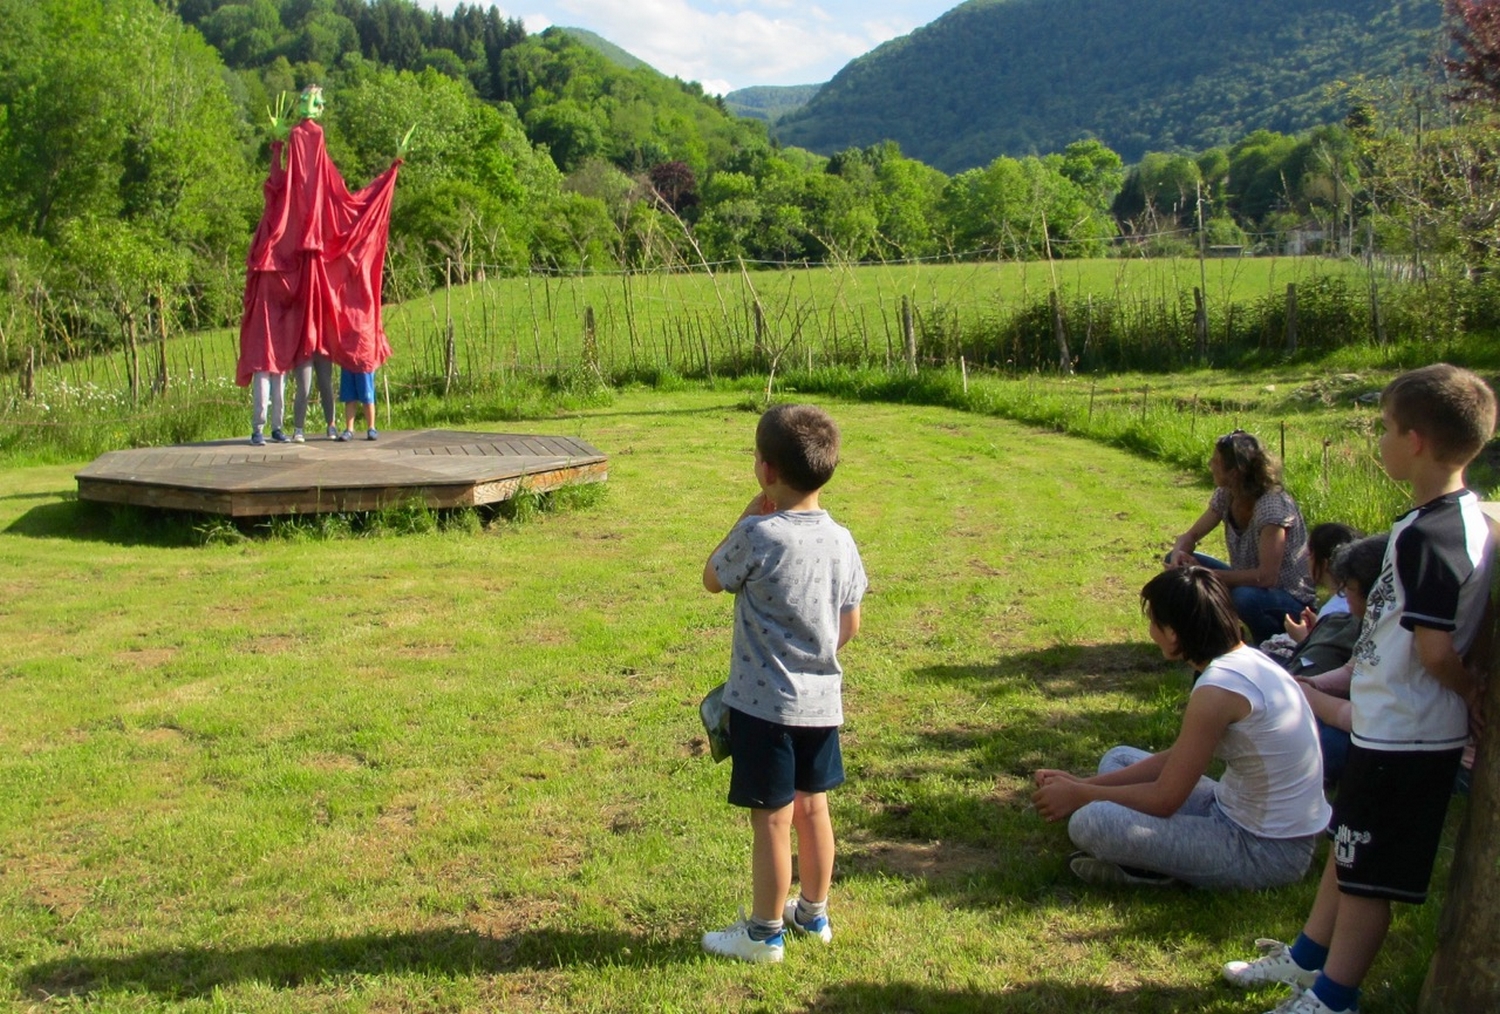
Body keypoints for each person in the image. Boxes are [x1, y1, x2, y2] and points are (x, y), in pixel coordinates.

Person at [1222, 363, 1495, 1014]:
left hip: (1409, 735)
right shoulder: (1436, 521)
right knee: (1350, 851)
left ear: (1417, 441)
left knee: (1368, 880)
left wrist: (1470, 690)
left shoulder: (1435, 537)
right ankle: (1306, 960)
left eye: (1385, 429)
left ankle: (1333, 998)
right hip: (1387, 726)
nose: (1379, 441)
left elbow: (1434, 649)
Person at [1032, 566, 1330, 889]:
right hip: (1235, 810)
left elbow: (1165, 798)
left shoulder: (1217, 689)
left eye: (1153, 622)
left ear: (1173, 632)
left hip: (1264, 851)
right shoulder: (1247, 662)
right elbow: (1181, 757)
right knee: (1117, 758)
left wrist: (1081, 794)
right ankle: (1162, 859)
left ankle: (1158, 872)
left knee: (1090, 822)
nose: (1150, 631)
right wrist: (1086, 783)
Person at [700, 404, 867, 963]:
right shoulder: (842, 541)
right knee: (812, 808)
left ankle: (764, 932)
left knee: (771, 818)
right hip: (823, 703)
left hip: (763, 707)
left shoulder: (759, 533)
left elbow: (711, 578)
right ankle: (813, 915)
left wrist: (746, 515)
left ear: (766, 471)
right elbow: (850, 624)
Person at [237, 85, 405, 445]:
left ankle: (303, 427)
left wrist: (278, 148)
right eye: (314, 101)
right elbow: (301, 185)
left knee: (306, 376)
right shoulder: (305, 137)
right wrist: (278, 148)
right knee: (294, 375)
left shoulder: (307, 137)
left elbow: (316, 185)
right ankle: (285, 428)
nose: (318, 106)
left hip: (305, 242)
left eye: (316, 102)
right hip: (303, 241)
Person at [1166, 430, 1316, 644]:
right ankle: (1201, 638)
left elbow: (1267, 577)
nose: (1210, 464)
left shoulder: (1271, 507)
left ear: (1235, 472)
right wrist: (1177, 559)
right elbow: (1191, 535)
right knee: (1174, 559)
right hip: (1249, 582)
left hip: (1288, 597)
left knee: (1244, 598)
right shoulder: (1227, 494)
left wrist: (1206, 574)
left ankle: (1273, 643)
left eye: (1216, 461)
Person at [1292, 533, 1389, 785]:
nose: (1344, 594)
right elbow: (1350, 671)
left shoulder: (1398, 642)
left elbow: (1366, 720)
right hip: (1358, 723)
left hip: (1380, 738)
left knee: (1315, 739)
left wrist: (1306, 695)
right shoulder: (1373, 624)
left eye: (1350, 589)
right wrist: (1312, 683)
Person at [293, 353, 338, 441]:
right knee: (304, 388)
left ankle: (331, 425)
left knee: (326, 385)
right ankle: (298, 428)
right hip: (304, 348)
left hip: (323, 346)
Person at [339, 366, 378, 441]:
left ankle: (371, 428)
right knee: (349, 397)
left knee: (367, 397)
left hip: (365, 362)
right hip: (348, 361)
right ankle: (349, 430)